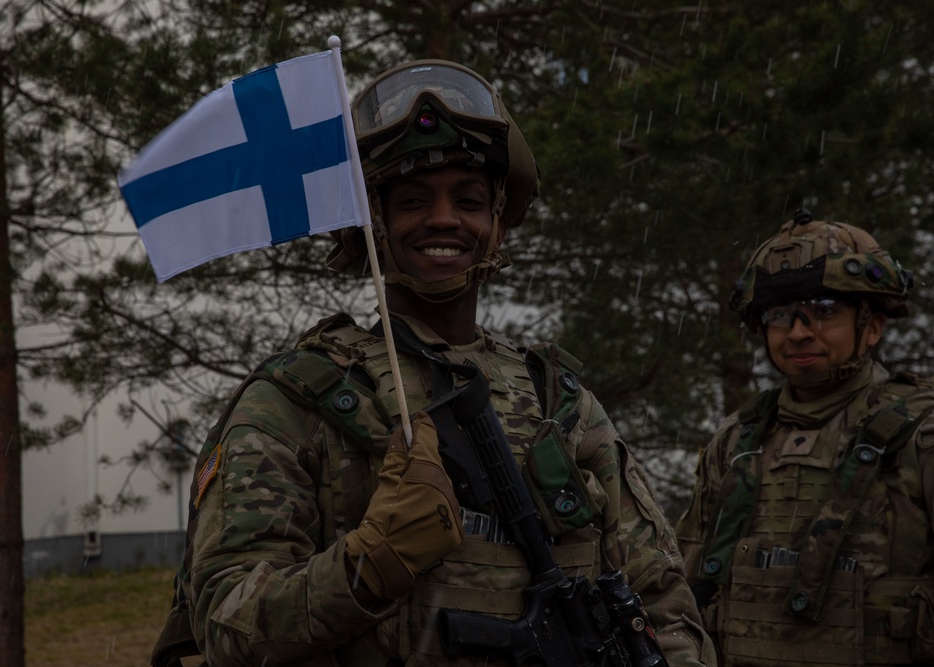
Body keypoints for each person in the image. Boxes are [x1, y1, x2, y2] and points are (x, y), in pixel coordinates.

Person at [154, 59, 713, 667]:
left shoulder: (561, 403)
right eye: (414, 200)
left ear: (496, 223)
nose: (443, 219)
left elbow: (663, 604)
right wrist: (368, 566)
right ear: (378, 224)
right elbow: (224, 627)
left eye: (468, 200)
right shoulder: (294, 400)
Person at [674, 209, 934, 666]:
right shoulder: (736, 441)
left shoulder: (921, 432)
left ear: (872, 326)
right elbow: (680, 588)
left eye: (824, 311)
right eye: (781, 315)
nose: (798, 332)